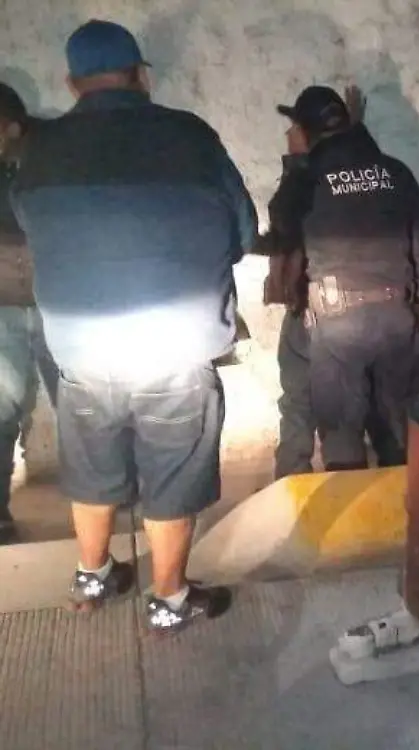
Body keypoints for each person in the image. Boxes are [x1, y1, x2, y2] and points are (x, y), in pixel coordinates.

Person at [10, 20, 256, 631]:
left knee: (92, 470)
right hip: (174, 347)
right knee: (171, 475)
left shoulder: (39, 151)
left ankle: (93, 575)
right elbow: (243, 233)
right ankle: (169, 600)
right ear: (141, 75)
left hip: (82, 352)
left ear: (72, 83)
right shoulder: (190, 136)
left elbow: (33, 230)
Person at [273, 85, 419, 471]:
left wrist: (295, 162)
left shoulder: (308, 178)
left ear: (306, 132)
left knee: (342, 431)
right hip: (395, 314)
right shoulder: (395, 171)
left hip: (338, 323)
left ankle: (350, 497)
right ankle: (400, 499)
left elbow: (282, 225)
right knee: (398, 426)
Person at [0, 83, 59, 543]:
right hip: (8, 304)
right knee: (2, 409)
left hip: (57, 301)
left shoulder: (53, 156)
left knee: (81, 403)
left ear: (13, 127)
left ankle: (107, 492)